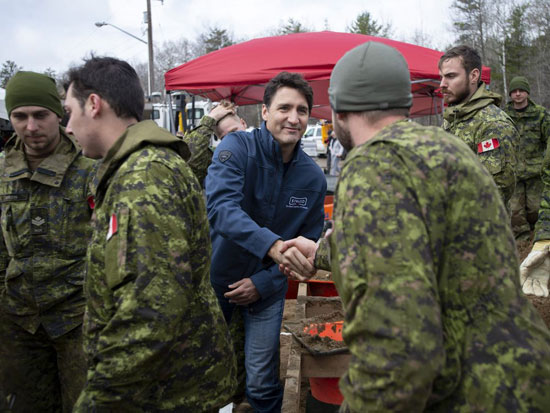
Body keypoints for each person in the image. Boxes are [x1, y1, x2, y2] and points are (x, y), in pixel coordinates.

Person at [279, 41, 550, 412]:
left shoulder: (372, 166)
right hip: (523, 381)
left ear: (339, 111)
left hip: (468, 394)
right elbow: (418, 240)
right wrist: (323, 251)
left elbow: (396, 351)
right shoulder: (447, 147)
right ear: (404, 104)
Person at [63, 56, 237, 412]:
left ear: (94, 105)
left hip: (168, 393)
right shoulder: (137, 167)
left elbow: (150, 311)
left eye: (69, 111)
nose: (67, 126)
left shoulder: (144, 176)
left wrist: (98, 402)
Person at [205, 71, 326, 412]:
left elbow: (309, 243)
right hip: (217, 279)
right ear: (264, 112)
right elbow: (221, 210)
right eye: (284, 108)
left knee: (262, 381)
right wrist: (272, 246)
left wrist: (262, 281)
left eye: (302, 110)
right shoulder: (237, 148)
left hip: (268, 288)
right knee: (203, 373)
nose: (293, 117)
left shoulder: (312, 177)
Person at [0, 71, 97, 412]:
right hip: (18, 321)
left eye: (40, 115)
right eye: (20, 117)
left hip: (78, 319)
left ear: (58, 114)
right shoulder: (2, 173)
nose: (30, 127)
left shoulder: (91, 171)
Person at [439, 45, 518, 204]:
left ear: (473, 76)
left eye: (451, 76)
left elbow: (493, 194)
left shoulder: (493, 124)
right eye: (441, 77)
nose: (442, 84)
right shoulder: (452, 119)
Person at [504, 76, 550, 240]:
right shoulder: (503, 115)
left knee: (535, 209)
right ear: (510, 94)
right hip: (512, 173)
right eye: (514, 91)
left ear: (527, 93)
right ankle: (522, 242)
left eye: (521, 91)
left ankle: (537, 238)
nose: (517, 94)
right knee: (515, 212)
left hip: (535, 172)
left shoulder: (540, 114)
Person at [183, 100, 247, 185]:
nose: (231, 140)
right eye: (224, 137)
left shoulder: (260, 145)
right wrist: (209, 119)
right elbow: (189, 162)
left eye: (234, 132)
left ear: (243, 123)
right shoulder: (219, 159)